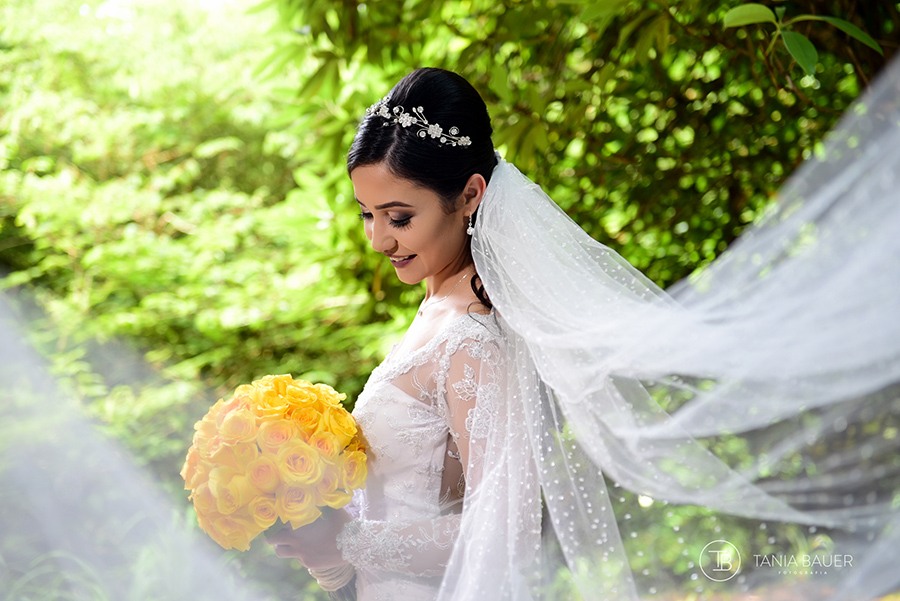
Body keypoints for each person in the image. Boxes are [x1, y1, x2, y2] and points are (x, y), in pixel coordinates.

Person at [268, 66, 900, 601]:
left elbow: (505, 533)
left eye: (399, 217)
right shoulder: (435, 308)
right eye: (368, 215)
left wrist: (348, 537)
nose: (380, 239)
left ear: (469, 194)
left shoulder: (470, 342)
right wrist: (325, 533)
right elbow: (422, 496)